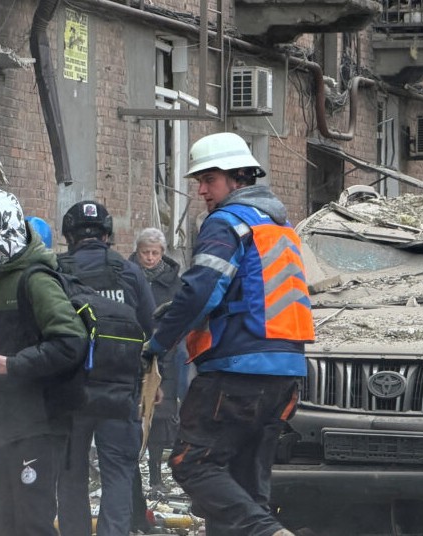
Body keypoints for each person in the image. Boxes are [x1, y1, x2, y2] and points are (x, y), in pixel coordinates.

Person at [143, 132, 314, 536]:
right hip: (285, 374)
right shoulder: (281, 227)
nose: (201, 190)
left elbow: (201, 289)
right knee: (245, 486)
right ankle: (263, 526)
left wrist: (158, 343)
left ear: (239, 177)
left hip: (237, 370)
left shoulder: (227, 222)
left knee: (193, 463)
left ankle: (269, 533)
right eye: (199, 181)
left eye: (210, 180)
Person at [0, 188, 88, 536]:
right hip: (7, 426)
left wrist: (12, 365)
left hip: (37, 424)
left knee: (31, 523)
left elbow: (71, 343)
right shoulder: (0, 282)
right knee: (3, 524)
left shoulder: (36, 280)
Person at [55, 201, 155, 536]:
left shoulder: (57, 271)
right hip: (120, 392)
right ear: (107, 235)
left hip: (72, 391)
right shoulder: (130, 272)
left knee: (71, 473)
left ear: (69, 235)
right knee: (119, 473)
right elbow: (148, 329)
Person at [130, 227, 187, 488]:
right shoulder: (127, 275)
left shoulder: (174, 282)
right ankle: (133, 477)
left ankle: (155, 475)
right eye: (145, 253)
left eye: (154, 253)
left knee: (160, 418)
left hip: (165, 353)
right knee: (133, 415)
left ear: (162, 253)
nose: (150, 258)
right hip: (133, 349)